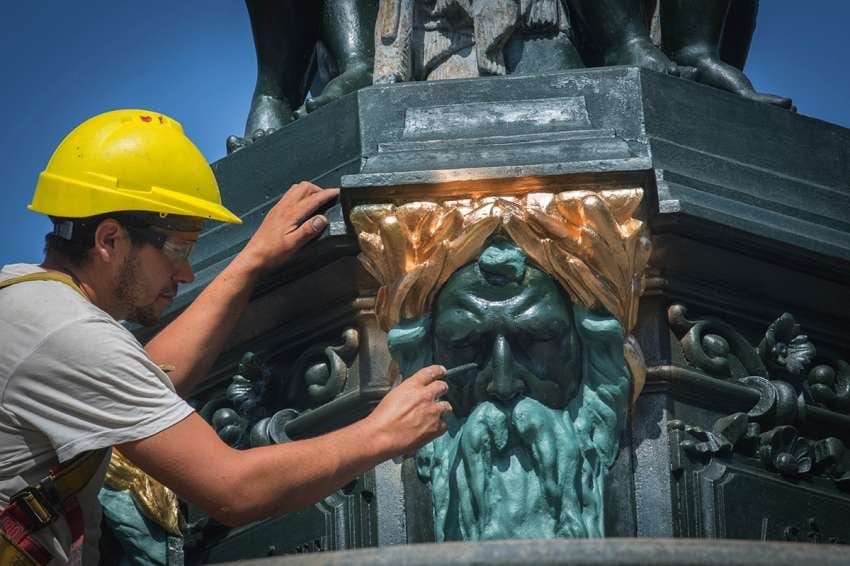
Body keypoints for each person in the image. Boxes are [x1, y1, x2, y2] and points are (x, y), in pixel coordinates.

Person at [0, 109, 451, 565]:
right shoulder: (66, 332)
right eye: (176, 249)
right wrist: (382, 433)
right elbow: (232, 489)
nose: (187, 272)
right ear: (109, 239)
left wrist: (251, 261)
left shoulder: (29, 303)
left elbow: (149, 379)